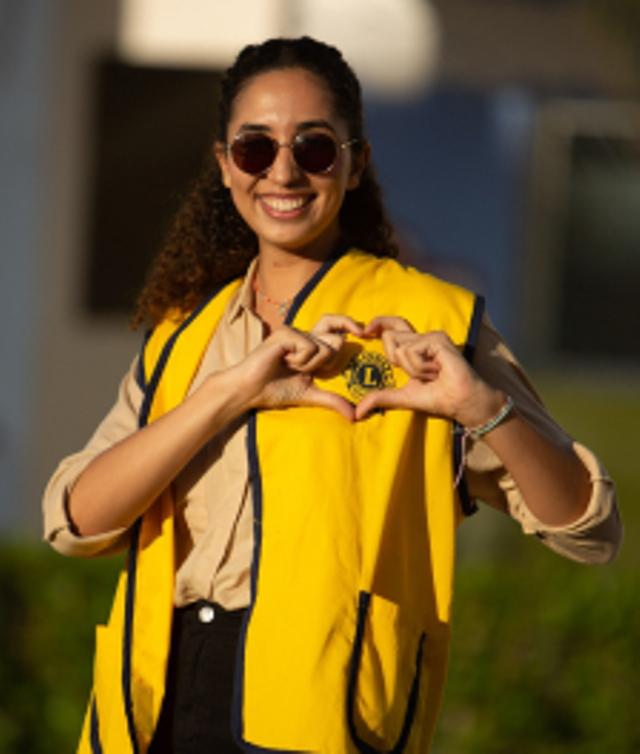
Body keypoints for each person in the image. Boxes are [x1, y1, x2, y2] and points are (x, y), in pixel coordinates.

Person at [43, 36, 621, 754]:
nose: (283, 171)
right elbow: (74, 520)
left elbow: (587, 528)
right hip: (151, 709)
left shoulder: (430, 326)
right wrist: (228, 395)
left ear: (355, 164)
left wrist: (483, 410)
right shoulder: (181, 336)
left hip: (324, 709)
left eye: (314, 148)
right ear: (225, 166)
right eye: (255, 149)